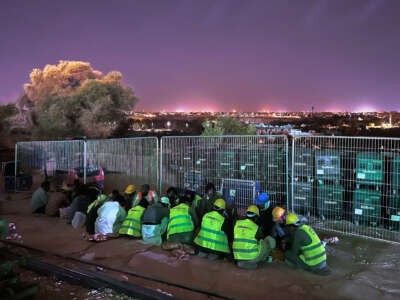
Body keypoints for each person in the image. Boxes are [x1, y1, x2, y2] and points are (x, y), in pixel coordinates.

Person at [233, 205, 276, 270]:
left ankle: (242, 262)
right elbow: (262, 238)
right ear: (256, 217)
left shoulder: (237, 223)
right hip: (251, 257)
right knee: (265, 241)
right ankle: (264, 259)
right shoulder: (256, 228)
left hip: (237, 256)